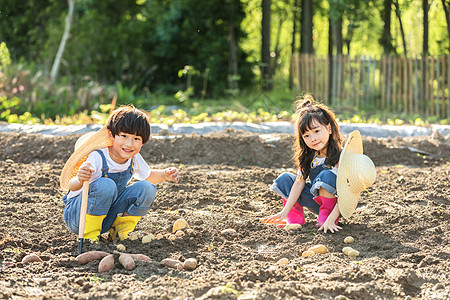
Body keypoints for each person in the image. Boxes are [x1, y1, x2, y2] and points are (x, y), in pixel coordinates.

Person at [59, 105, 179, 242]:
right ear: (111, 135)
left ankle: (119, 232)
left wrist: (164, 174)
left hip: (106, 217)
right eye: (124, 136)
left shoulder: (133, 158)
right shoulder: (98, 157)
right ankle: (90, 237)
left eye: (136, 139)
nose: (129, 144)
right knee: (106, 185)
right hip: (79, 217)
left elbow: (148, 176)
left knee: (147, 188)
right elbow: (72, 186)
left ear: (143, 142)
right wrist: (80, 178)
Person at [261, 95, 376, 233]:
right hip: (315, 200)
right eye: (307, 136)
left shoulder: (341, 157)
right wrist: (284, 211)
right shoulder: (310, 156)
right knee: (285, 178)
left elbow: (349, 192)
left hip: (336, 205)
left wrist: (331, 218)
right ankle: (294, 219)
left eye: (316, 131)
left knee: (326, 175)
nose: (313, 138)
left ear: (329, 128)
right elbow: (299, 183)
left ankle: (326, 218)